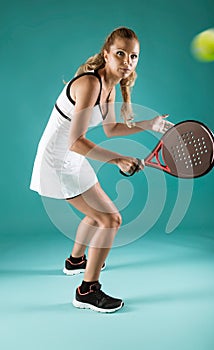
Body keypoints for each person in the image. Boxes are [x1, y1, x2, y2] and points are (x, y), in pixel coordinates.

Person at [30, 27, 173, 313]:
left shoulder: (109, 85)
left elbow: (109, 129)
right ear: (106, 54)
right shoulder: (90, 84)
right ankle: (87, 290)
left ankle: (75, 261)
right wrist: (118, 159)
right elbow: (76, 141)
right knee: (111, 220)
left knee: (98, 216)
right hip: (56, 162)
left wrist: (149, 124)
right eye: (120, 53)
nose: (127, 61)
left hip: (73, 159)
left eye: (133, 56)